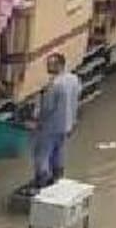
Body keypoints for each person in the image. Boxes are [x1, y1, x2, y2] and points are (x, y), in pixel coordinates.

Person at [32, 52, 81, 190]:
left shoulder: (55, 85)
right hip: (66, 125)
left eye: (50, 64)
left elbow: (47, 108)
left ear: (59, 65)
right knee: (59, 152)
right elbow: (75, 100)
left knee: (42, 154)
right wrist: (73, 122)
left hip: (50, 126)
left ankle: (42, 184)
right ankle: (57, 180)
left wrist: (37, 122)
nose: (47, 67)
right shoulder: (73, 79)